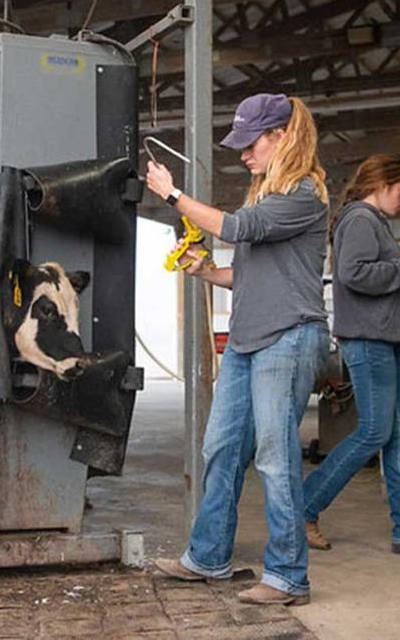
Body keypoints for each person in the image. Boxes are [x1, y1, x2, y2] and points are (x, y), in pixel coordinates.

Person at [146, 93, 330, 606]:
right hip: (250, 338)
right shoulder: (266, 198)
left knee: (274, 458)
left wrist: (172, 195)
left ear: (280, 136)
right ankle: (208, 557)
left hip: (289, 336)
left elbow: (236, 228)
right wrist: (207, 272)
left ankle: (289, 576)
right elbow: (246, 275)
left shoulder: (303, 195)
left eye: (250, 144)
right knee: (220, 448)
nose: (244, 155)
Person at [302, 154, 400, 555]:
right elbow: (353, 275)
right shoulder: (359, 220)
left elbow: (375, 272)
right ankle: (302, 507)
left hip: (385, 339)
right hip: (368, 340)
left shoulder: (373, 223)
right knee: (374, 432)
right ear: (382, 184)